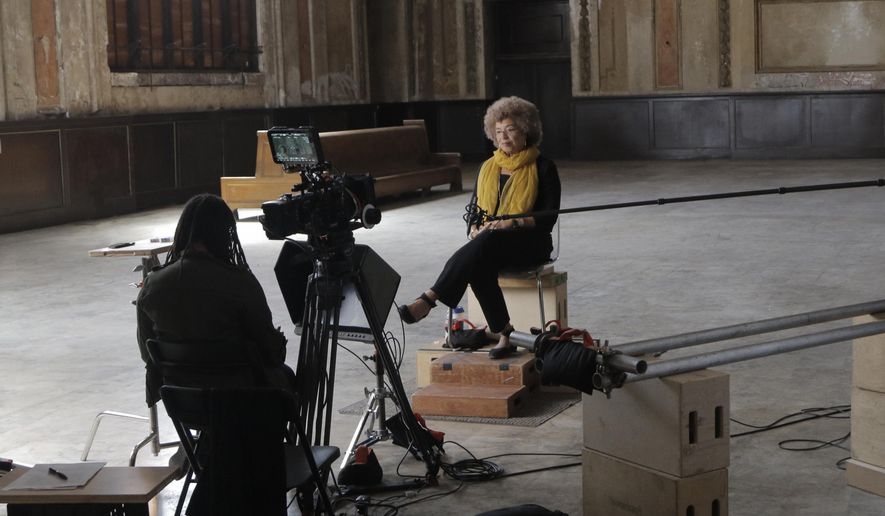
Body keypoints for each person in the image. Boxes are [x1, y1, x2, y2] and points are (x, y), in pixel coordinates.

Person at [397, 96, 561, 359]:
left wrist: (512, 221)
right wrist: (475, 228)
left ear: (526, 131)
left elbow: (548, 218)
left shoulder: (543, 167)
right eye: (498, 132)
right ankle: (505, 334)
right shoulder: (489, 168)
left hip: (531, 243)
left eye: (510, 129)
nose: (504, 137)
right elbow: (474, 212)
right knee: (479, 257)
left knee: (483, 248)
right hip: (492, 243)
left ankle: (429, 299)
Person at [136, 193, 292, 406]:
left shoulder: (153, 284)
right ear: (224, 235)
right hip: (241, 400)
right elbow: (270, 351)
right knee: (291, 377)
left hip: (183, 402)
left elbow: (148, 354)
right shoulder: (240, 282)